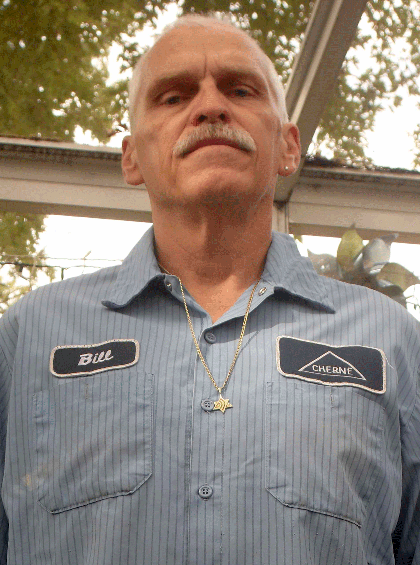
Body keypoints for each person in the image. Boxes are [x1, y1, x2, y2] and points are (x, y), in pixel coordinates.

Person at [0, 13, 419, 565]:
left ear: (289, 147)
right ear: (131, 158)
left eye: (240, 89)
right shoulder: (29, 337)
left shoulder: (394, 343)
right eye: (172, 97)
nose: (210, 107)